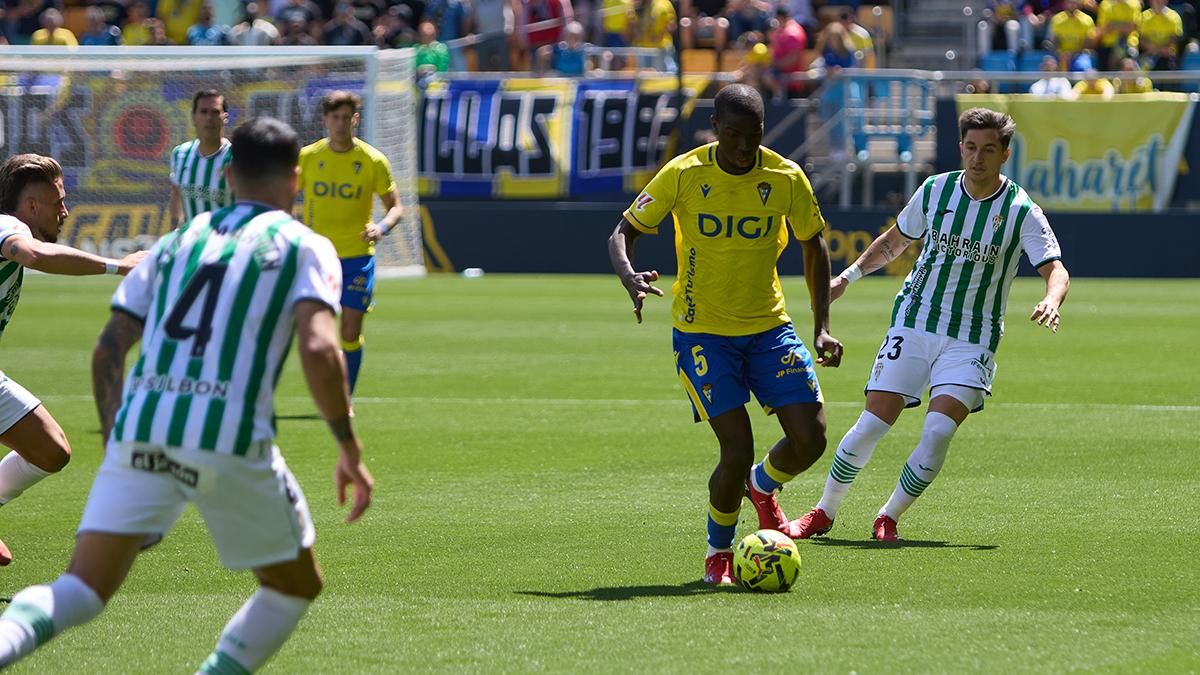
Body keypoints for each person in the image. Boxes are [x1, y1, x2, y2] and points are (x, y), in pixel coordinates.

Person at [0, 117, 374, 673]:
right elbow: (321, 350)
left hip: (143, 431)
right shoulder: (303, 244)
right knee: (293, 586)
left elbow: (108, 351)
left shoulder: (177, 243)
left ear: (227, 173)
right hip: (229, 436)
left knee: (79, 590)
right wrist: (347, 444)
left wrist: (116, 447)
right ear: (296, 180)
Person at [793, 108, 1070, 542]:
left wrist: (1051, 299)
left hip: (973, 337)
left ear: (1005, 155)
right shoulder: (936, 190)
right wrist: (845, 279)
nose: (977, 158)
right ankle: (823, 511)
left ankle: (889, 516)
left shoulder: (1021, 211)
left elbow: (1055, 268)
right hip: (915, 319)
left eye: (988, 150)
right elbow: (893, 242)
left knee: (939, 430)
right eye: (971, 148)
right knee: (872, 424)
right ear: (961, 148)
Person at [607, 84, 843, 585]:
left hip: (769, 328)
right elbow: (623, 231)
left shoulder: (784, 177)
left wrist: (822, 326)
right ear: (715, 128)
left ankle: (763, 486)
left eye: (752, 136)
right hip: (702, 335)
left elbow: (813, 245)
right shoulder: (685, 173)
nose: (742, 147)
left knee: (811, 438)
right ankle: (718, 553)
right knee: (734, 450)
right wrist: (629, 274)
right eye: (732, 135)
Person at [0, 154, 145, 565]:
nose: (65, 211)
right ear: (31, 206)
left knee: (51, 451)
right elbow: (34, 255)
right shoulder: (8, 227)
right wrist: (119, 266)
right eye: (58, 201)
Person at [298, 91, 403, 397]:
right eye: (335, 118)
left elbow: (395, 206)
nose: (341, 124)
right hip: (318, 257)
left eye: (347, 118)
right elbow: (284, 194)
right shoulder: (308, 157)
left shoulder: (372, 160)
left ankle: (345, 397)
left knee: (351, 329)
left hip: (357, 256)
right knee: (320, 333)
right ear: (325, 120)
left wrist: (380, 227)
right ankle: (326, 390)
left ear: (355, 119)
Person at [168, 90, 235, 230]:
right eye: (203, 112)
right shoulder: (180, 153)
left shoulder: (238, 158)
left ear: (225, 117)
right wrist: (174, 230)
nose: (209, 118)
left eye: (215, 112)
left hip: (226, 245)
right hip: (192, 246)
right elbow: (176, 193)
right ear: (193, 117)